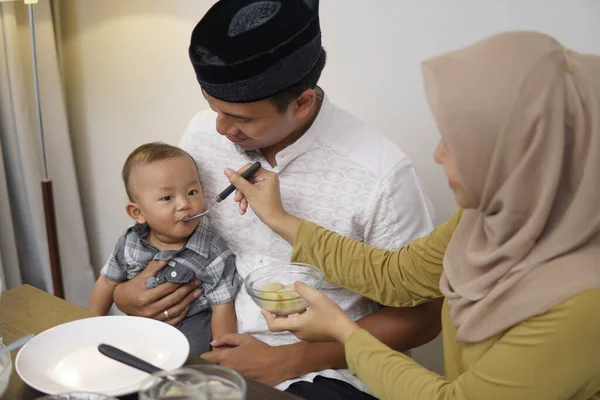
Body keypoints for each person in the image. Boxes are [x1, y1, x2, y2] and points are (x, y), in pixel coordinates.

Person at [225, 31, 600, 400]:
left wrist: (343, 332)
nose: (437, 155)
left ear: (530, 159)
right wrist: (279, 219)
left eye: (456, 144)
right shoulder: (487, 219)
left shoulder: (583, 304)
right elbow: (398, 275)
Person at [111, 0, 443, 398]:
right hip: (199, 340)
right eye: (213, 107)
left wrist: (292, 360)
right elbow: (168, 231)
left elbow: (423, 320)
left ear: (301, 102)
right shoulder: (202, 135)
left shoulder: (381, 174)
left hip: (325, 370)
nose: (220, 127)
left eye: (242, 118)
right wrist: (125, 294)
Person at [88, 142, 241, 354]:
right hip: (140, 325)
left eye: (192, 191)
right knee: (116, 350)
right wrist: (88, 329)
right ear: (137, 213)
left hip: (190, 326)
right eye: (167, 198)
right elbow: (106, 282)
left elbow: (222, 306)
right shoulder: (129, 242)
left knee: (192, 353)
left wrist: (221, 356)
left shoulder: (213, 252)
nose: (184, 204)